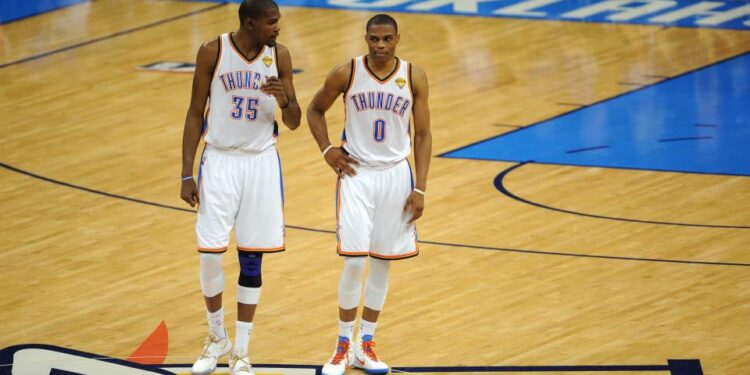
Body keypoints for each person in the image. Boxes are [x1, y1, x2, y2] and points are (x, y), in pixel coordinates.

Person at [306, 13, 432, 375]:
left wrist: (420, 187)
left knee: (382, 261)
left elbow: (423, 135)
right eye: (374, 39)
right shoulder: (346, 72)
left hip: (396, 175)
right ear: (365, 39)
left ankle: (366, 344)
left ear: (397, 39)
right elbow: (315, 110)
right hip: (357, 175)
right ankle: (342, 345)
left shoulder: (414, 76)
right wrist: (327, 149)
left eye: (387, 39)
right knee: (354, 260)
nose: (380, 46)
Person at [179, 0, 300, 374]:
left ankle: (242, 350)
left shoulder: (279, 55)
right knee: (210, 253)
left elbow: (294, 120)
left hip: (261, 164)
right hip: (219, 161)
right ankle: (217, 338)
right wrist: (186, 172)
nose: (278, 28)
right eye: (272, 22)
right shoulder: (212, 51)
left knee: (251, 257)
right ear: (250, 23)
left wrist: (285, 99)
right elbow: (195, 112)